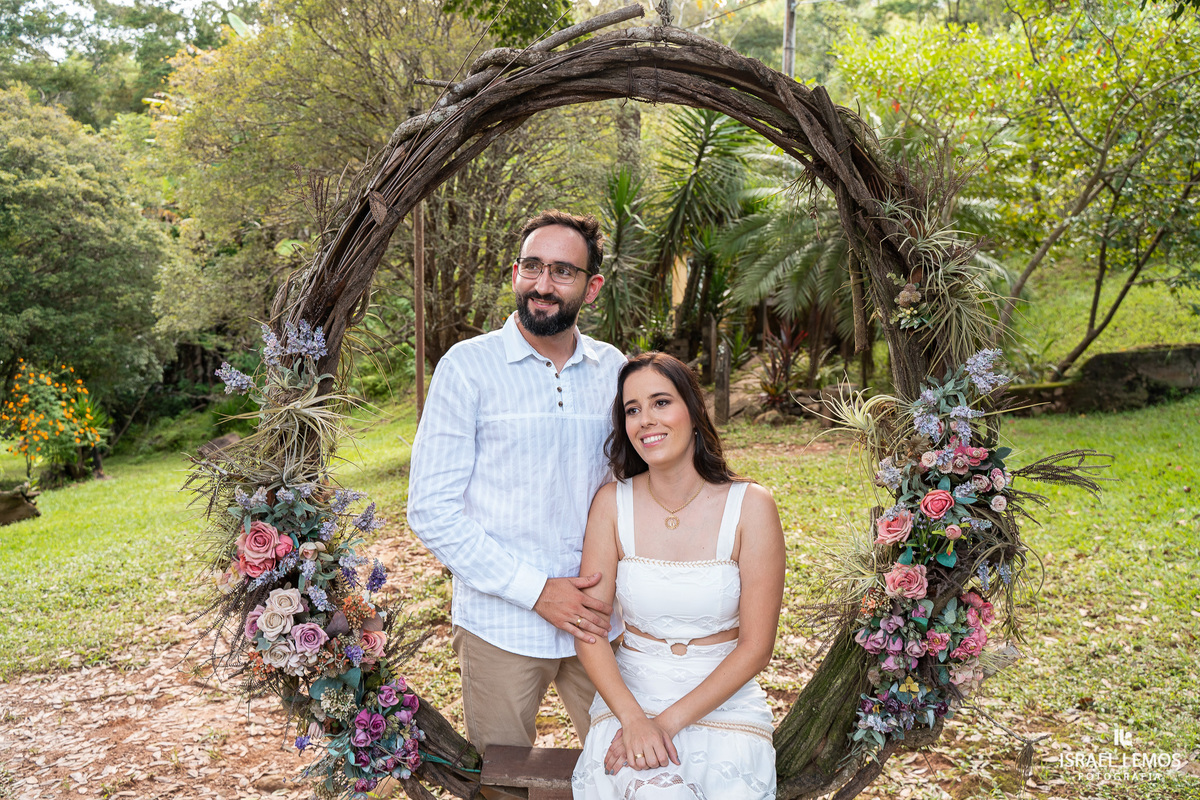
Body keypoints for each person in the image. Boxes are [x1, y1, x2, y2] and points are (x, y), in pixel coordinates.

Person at [406, 211, 628, 789]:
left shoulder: (616, 371)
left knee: (628, 774)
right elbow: (431, 509)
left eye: (562, 271)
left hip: (602, 619)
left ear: (591, 287)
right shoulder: (468, 367)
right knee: (501, 782)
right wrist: (537, 592)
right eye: (532, 266)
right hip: (500, 621)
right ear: (514, 274)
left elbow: (639, 489)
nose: (543, 284)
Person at [571, 352, 785, 799]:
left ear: (693, 409)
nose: (646, 420)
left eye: (661, 402)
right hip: (631, 696)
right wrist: (634, 721)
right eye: (632, 410)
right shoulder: (611, 504)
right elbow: (589, 632)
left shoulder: (751, 506)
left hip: (725, 702)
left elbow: (756, 648)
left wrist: (661, 726)